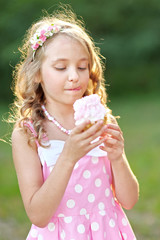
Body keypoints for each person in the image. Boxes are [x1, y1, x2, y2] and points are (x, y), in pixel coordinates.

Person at [11, 7, 139, 240]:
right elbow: (38, 215)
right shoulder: (27, 133)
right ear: (37, 73)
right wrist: (69, 156)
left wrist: (118, 157)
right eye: (61, 67)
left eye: (82, 67)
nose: (74, 76)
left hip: (107, 231)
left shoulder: (100, 121)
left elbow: (129, 201)